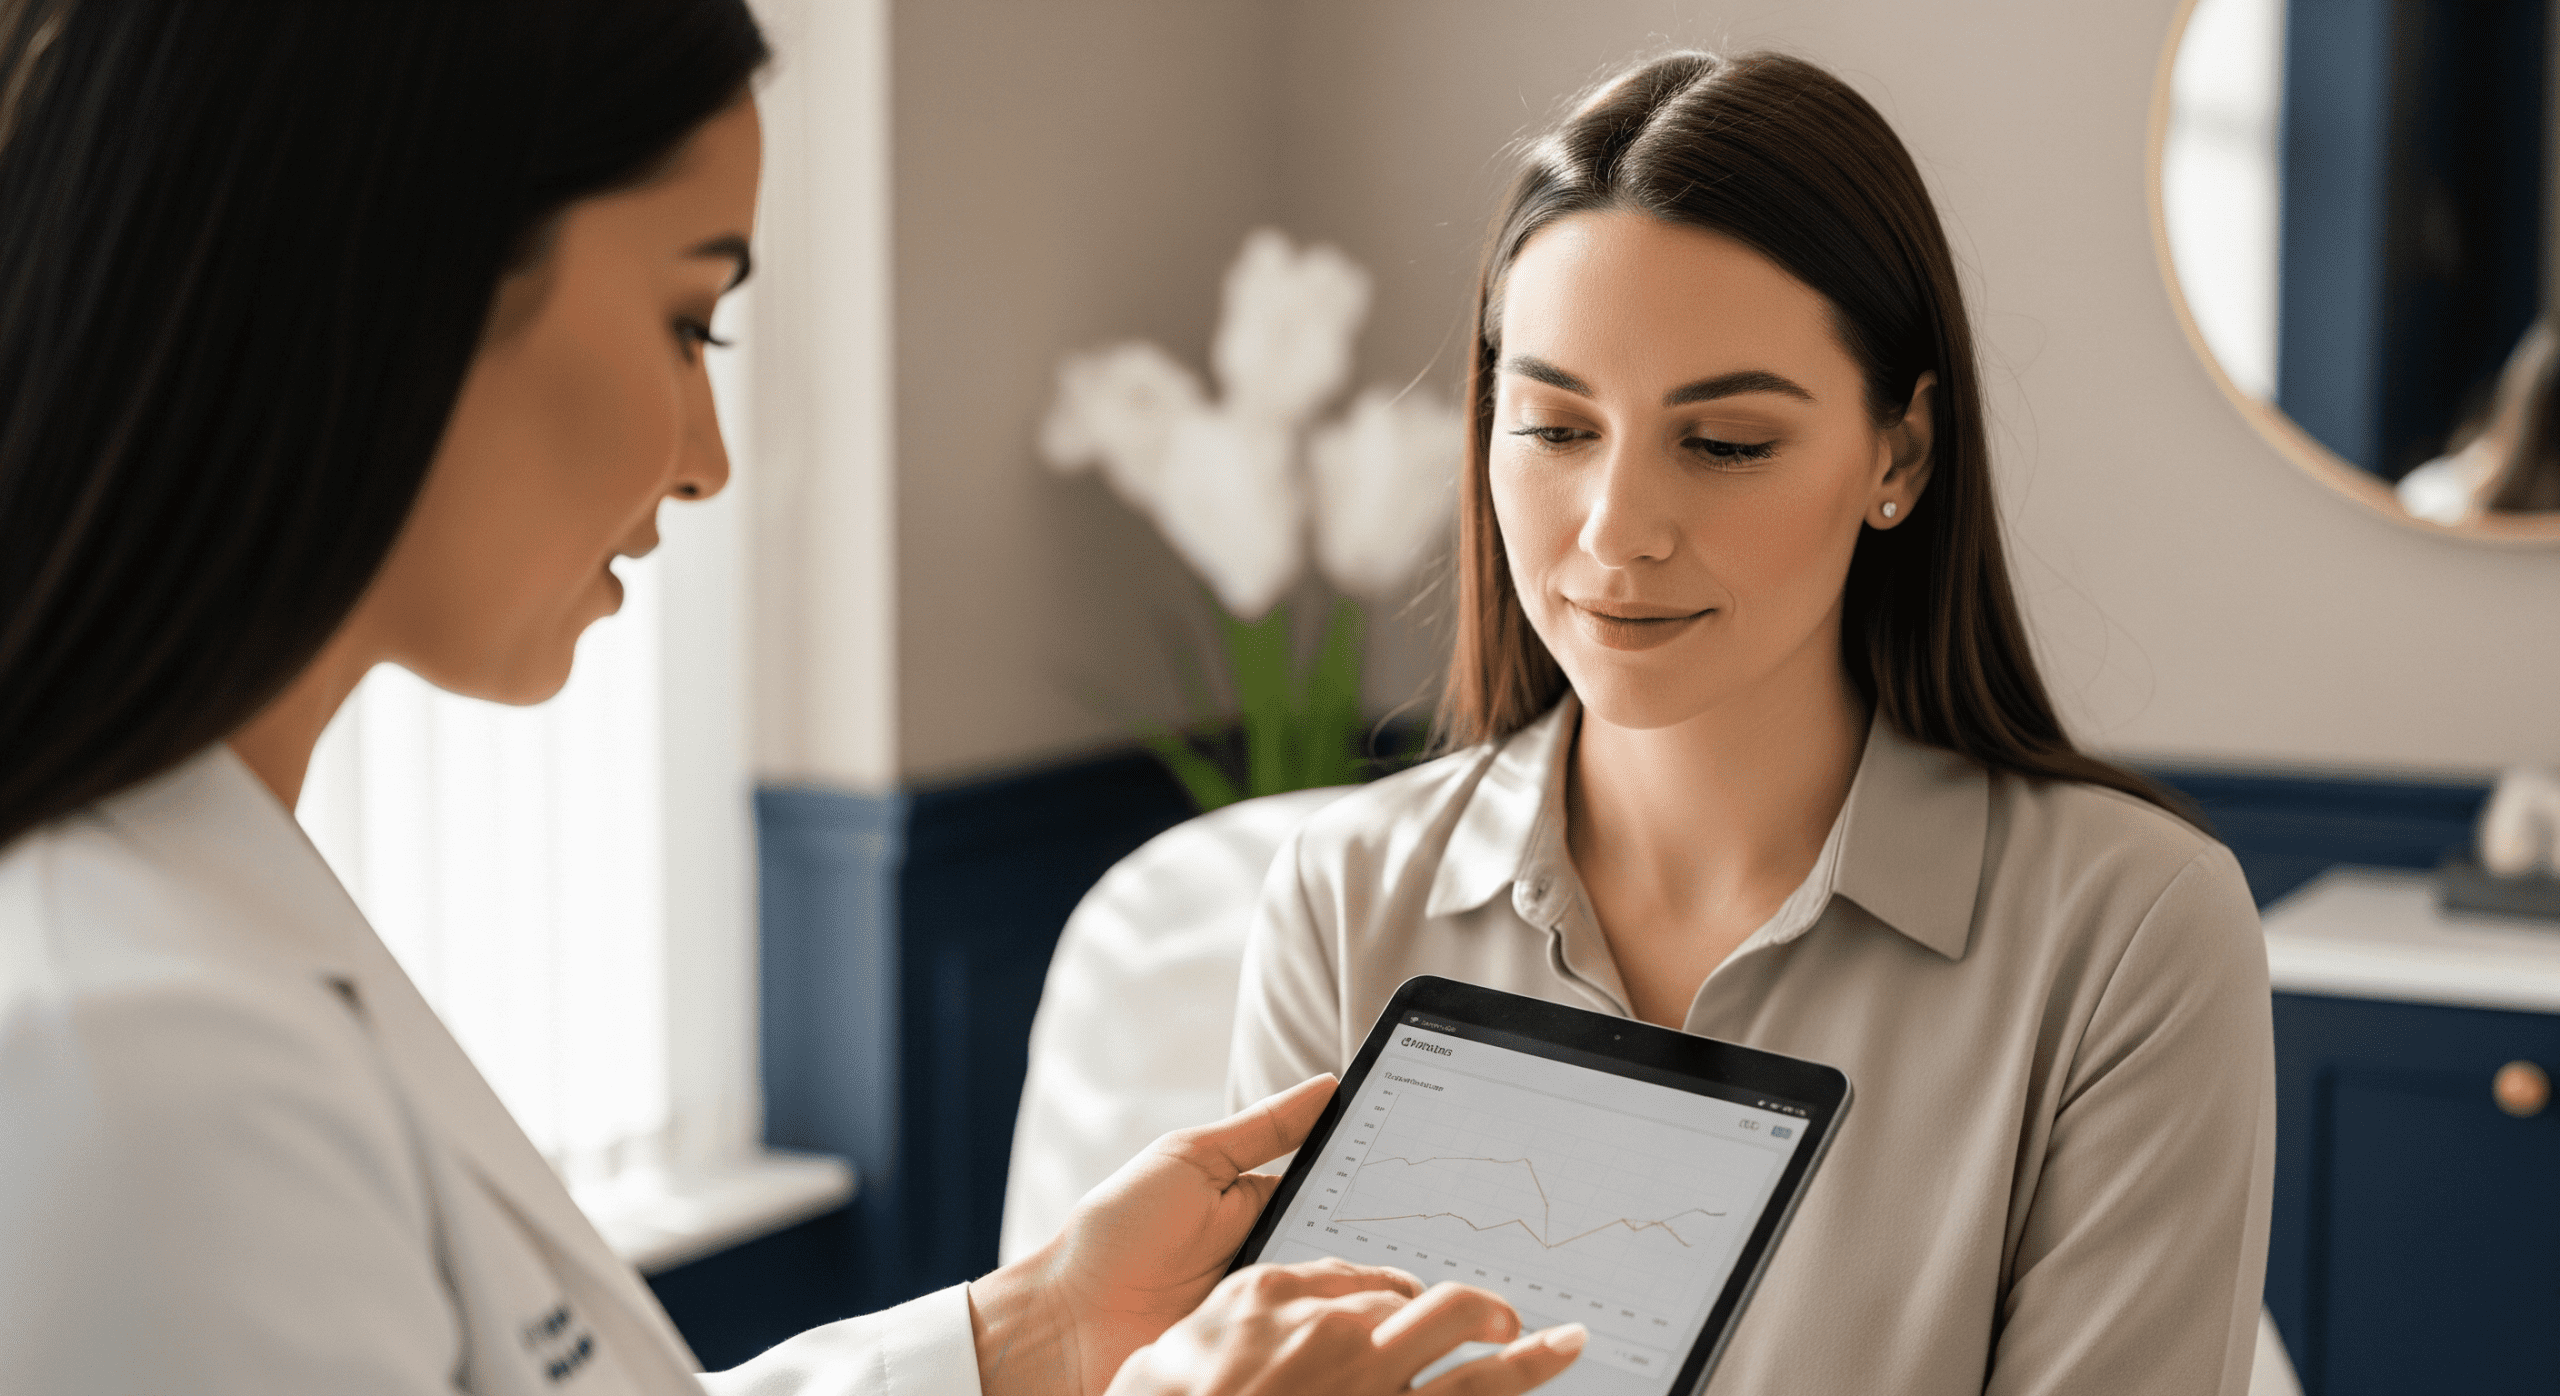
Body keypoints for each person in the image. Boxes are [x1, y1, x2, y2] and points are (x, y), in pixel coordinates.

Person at [0, 4, 1587, 1394]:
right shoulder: (141, 1073)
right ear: (389, 292)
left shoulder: (213, 937)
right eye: (689, 320)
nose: (709, 458)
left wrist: (1036, 1333)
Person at [1227, 50, 2276, 1393]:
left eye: (1724, 445)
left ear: (1898, 454)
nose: (1616, 535)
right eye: (1552, 427)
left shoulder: (2130, 936)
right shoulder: (1342, 896)